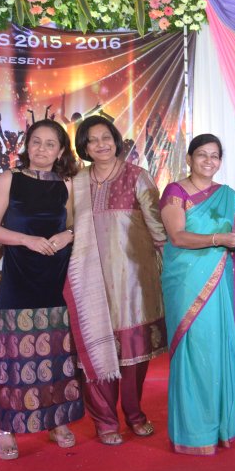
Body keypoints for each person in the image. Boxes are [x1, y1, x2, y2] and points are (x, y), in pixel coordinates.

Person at [0, 119, 83, 460]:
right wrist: (26, 240)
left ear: (61, 150)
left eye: (50, 143)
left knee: (56, 352)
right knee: (15, 354)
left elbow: (75, 224)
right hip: (20, 277)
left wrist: (67, 235)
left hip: (56, 277)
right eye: (36, 141)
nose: (42, 149)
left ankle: (56, 420)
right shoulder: (9, 179)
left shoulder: (67, 182)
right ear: (27, 144)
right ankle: (6, 428)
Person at [65, 115, 167, 446]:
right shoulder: (76, 182)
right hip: (90, 282)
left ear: (116, 140)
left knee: (134, 355)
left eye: (106, 137)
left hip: (134, 283)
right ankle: (105, 420)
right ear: (83, 147)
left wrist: (172, 268)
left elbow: (158, 229)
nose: (101, 144)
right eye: (92, 140)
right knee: (94, 350)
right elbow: (67, 228)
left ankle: (134, 414)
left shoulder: (137, 177)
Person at [160, 134, 235, 455]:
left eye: (215, 156)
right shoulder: (175, 192)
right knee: (194, 349)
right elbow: (178, 236)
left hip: (219, 281)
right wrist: (219, 239)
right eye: (202, 154)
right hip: (187, 282)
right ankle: (193, 432)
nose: (208, 161)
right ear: (189, 158)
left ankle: (220, 428)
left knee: (218, 348)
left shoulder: (229, 195)